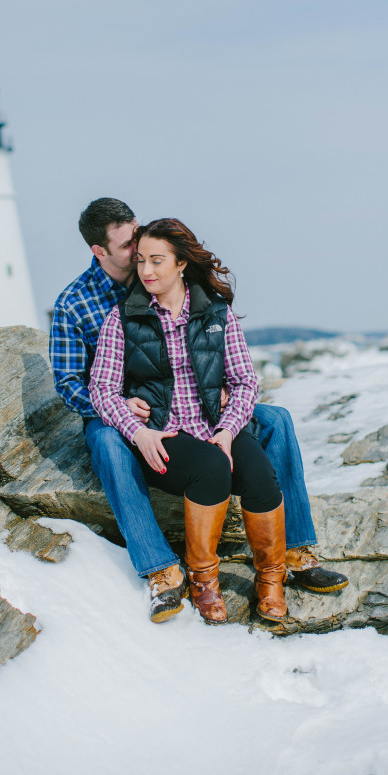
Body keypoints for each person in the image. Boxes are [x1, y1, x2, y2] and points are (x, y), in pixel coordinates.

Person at [49, 198, 346, 624]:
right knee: (106, 439)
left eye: (145, 245)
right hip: (126, 408)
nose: (141, 258)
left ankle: (294, 553)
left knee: (276, 420)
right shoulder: (78, 303)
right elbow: (71, 383)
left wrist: (218, 394)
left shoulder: (179, 285)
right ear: (100, 252)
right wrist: (126, 412)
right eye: (130, 248)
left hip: (194, 401)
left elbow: (225, 361)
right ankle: (160, 569)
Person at [90, 217, 286, 625]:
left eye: (157, 261)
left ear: (181, 264)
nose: (146, 271)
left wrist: (229, 431)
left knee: (260, 471)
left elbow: (245, 381)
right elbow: (102, 389)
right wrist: (139, 433)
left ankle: (270, 579)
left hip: (215, 428)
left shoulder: (216, 314)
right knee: (211, 468)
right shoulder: (122, 319)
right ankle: (203, 580)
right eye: (141, 260)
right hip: (162, 436)